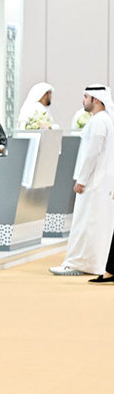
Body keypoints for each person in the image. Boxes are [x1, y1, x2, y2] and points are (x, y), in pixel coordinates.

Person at [50, 85, 114, 276]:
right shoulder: (104, 120)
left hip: (94, 182)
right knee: (95, 223)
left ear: (96, 99)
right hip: (101, 182)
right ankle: (92, 264)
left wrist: (82, 180)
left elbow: (92, 153)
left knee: (86, 223)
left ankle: (78, 263)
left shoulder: (100, 121)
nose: (83, 100)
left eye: (86, 97)